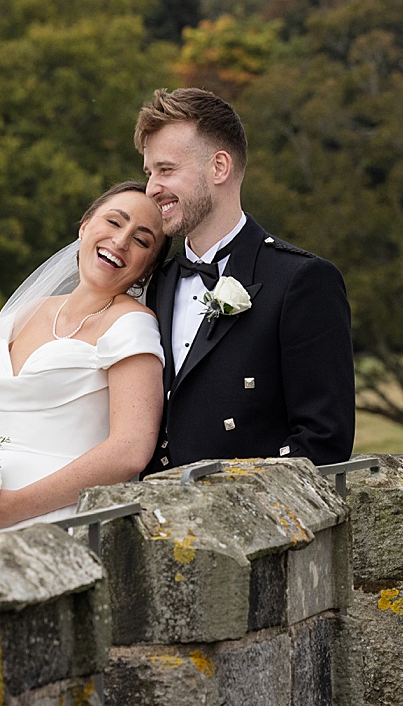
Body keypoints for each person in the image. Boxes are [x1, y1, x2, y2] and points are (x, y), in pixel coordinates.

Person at [0, 181, 168, 529]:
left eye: (141, 241)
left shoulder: (131, 324)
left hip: (59, 517)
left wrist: (12, 509)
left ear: (148, 268)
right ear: (85, 226)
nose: (120, 241)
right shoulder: (25, 314)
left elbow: (129, 451)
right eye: (114, 222)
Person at [134, 87, 354, 471]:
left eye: (166, 170)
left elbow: (323, 441)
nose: (152, 188)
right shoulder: (153, 283)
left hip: (254, 508)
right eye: (150, 173)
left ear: (219, 167)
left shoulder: (301, 280)